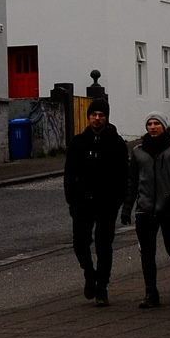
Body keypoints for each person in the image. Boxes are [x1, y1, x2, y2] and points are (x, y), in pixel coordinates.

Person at [63, 105, 130, 305]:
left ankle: (102, 287)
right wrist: (72, 200)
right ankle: (89, 273)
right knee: (80, 242)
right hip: (82, 203)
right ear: (88, 117)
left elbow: (123, 175)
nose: (97, 118)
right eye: (94, 115)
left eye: (101, 115)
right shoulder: (78, 142)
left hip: (107, 203)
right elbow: (69, 174)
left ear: (106, 118)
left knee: (104, 245)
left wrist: (118, 200)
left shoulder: (116, 143)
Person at [124, 114, 170, 308]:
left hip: (169, 209)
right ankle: (151, 292)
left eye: (156, 124)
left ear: (164, 126)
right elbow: (132, 181)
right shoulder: (138, 152)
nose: (152, 127)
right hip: (145, 209)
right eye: (149, 124)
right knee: (147, 253)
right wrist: (127, 208)